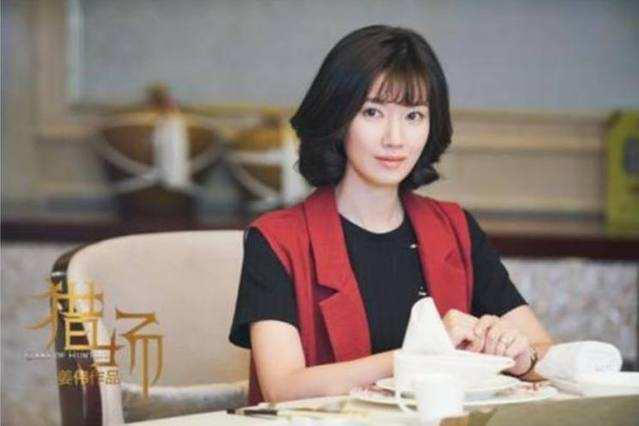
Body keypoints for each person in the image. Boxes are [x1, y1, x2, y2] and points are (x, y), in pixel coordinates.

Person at [229, 25, 553, 404]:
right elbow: (282, 387)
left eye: (414, 116)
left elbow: (546, 353)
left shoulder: (454, 228)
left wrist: (521, 358)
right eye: (372, 112)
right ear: (338, 118)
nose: (395, 138)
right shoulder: (277, 240)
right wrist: (419, 356)